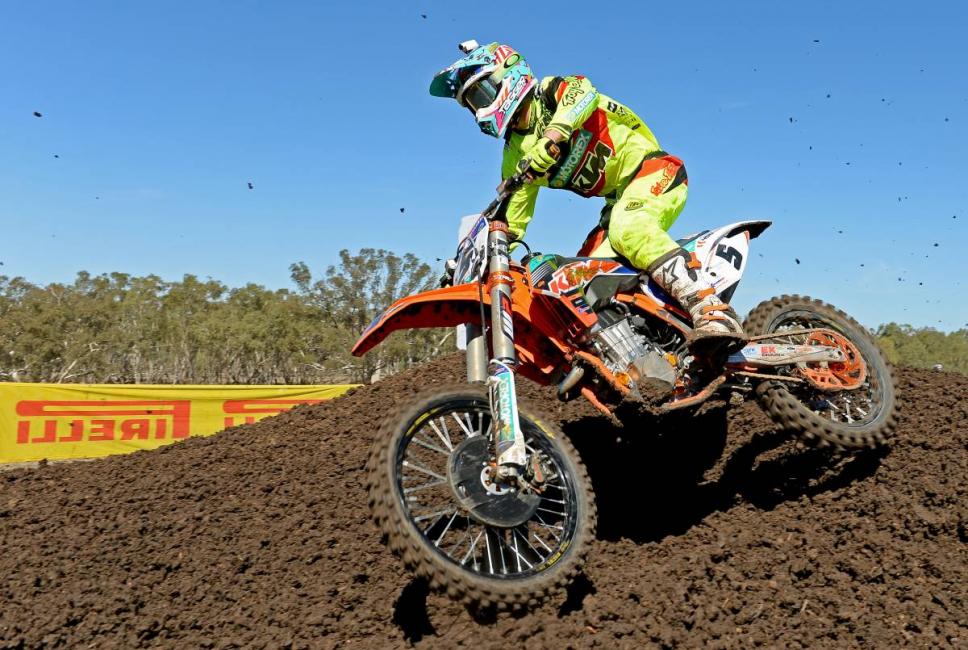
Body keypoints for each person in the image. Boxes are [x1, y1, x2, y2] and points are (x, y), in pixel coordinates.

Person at [430, 41, 746, 352]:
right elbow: (510, 222)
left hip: (654, 171)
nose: (479, 110)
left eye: (480, 94)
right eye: (471, 104)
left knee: (629, 229)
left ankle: (710, 309)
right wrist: (471, 262)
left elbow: (583, 93)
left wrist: (553, 136)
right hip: (617, 202)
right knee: (578, 279)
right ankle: (644, 351)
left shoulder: (552, 92)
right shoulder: (515, 154)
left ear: (507, 74)